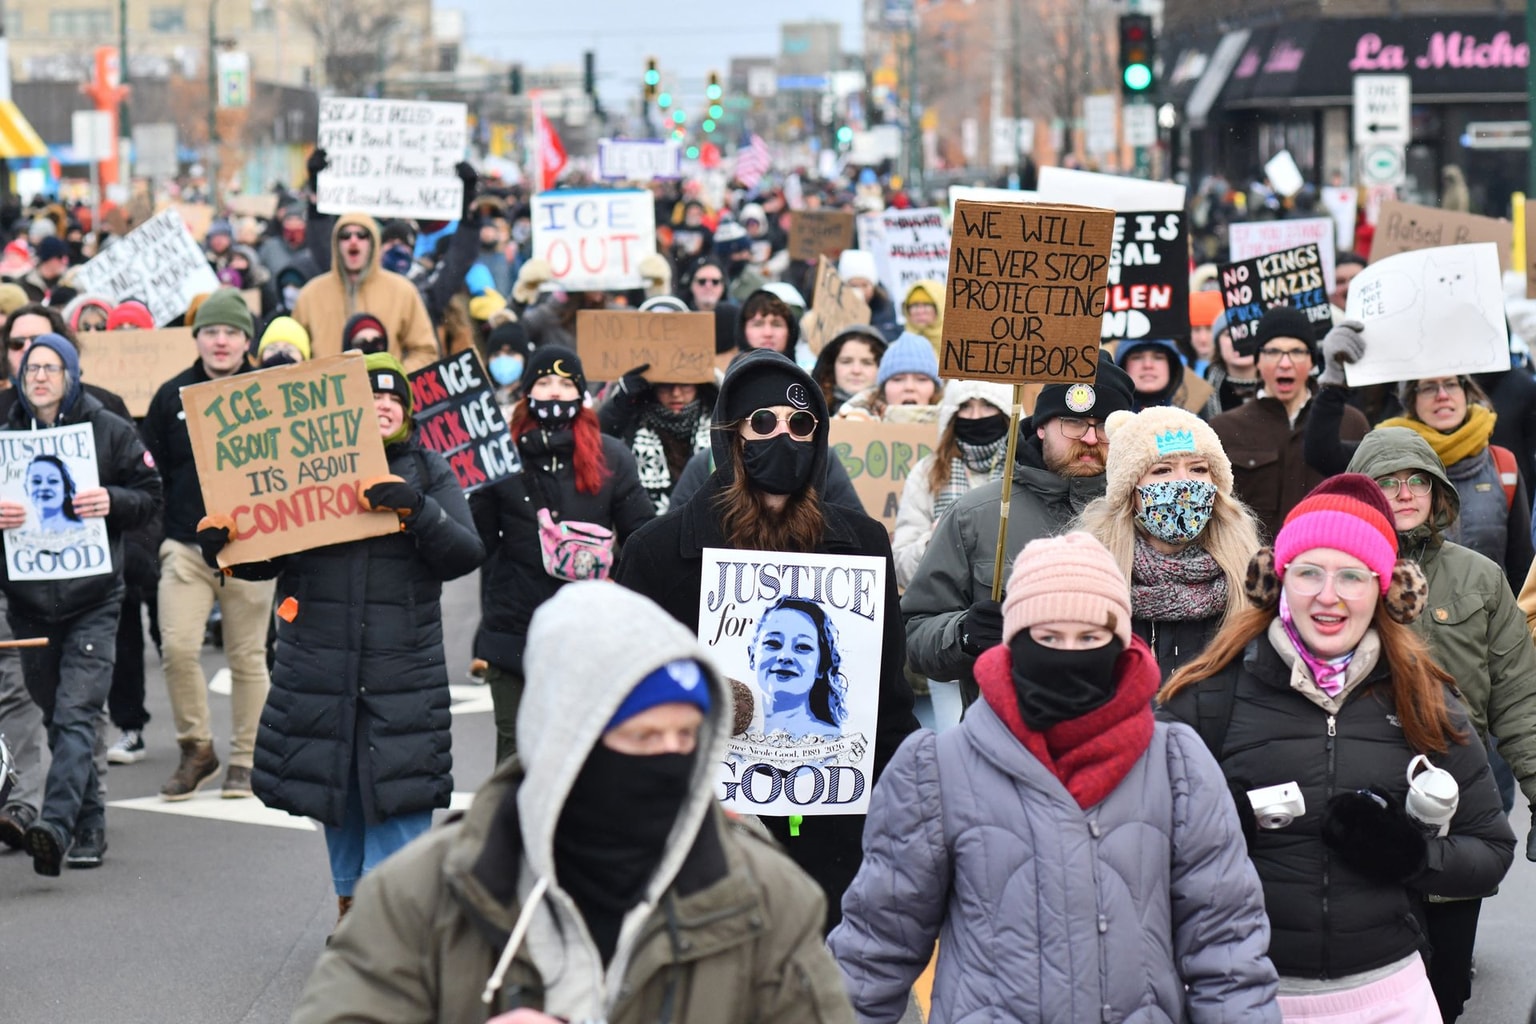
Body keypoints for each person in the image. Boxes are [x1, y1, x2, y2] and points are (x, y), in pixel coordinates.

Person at [289, 582, 855, 1024]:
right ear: (567, 742)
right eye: (641, 737)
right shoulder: (424, 896)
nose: (668, 761)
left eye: (686, 738)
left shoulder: (766, 898)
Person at [831, 532, 1280, 1022]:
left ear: (1120, 644)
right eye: (1048, 638)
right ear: (1014, 645)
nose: (1070, 654)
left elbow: (1226, 949)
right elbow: (875, 951)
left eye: (1089, 639)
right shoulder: (937, 770)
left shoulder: (1176, 766)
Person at [1159, 475, 1515, 1021]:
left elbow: (1490, 851)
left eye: (1352, 575)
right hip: (1246, 994)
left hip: (1390, 996)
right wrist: (1212, 831)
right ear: (1274, 581)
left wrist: (1413, 856)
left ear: (1387, 589)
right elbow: (1134, 845)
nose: (1329, 596)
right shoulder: (1208, 694)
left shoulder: (1426, 698)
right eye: (1308, 573)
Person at [613, 349, 920, 931]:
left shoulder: (859, 544)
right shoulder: (656, 553)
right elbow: (623, 697)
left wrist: (910, 800)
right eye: (763, 423)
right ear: (731, 438)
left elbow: (888, 700)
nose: (784, 437)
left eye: (801, 425)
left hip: (835, 836)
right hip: (704, 833)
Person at [197, 351, 483, 919]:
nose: (381, 406)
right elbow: (266, 558)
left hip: (400, 668)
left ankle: (389, 919)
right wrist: (226, 547)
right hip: (321, 664)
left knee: (398, 789)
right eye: (369, 397)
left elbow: (465, 553)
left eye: (392, 399)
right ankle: (351, 904)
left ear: (405, 411)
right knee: (340, 789)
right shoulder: (308, 466)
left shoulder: (428, 469)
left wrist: (417, 510)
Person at [1348, 427, 1536, 1021]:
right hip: (1362, 803)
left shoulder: (1481, 578)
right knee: (1371, 992)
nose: (1404, 493)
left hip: (1458, 807)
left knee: (1444, 990)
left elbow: (1520, 701)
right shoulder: (1337, 574)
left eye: (1417, 481)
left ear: (1438, 493)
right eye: (1388, 482)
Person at [0, 332, 162, 874]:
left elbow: (150, 496)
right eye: (30, 370)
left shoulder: (109, 430)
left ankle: (59, 823)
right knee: (55, 714)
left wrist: (111, 501)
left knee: (76, 713)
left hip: (93, 597)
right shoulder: (6, 435)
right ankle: (90, 817)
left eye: (50, 368)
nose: (38, 377)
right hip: (27, 601)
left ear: (71, 375)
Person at [902, 350, 1137, 707]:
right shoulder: (976, 515)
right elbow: (914, 635)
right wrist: (962, 634)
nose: (1090, 438)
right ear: (1041, 425)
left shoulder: (1144, 512)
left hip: (1121, 731)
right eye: (1073, 422)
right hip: (1003, 734)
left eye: (1103, 424)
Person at [471, 346, 653, 765]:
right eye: (543, 383)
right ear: (526, 393)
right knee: (517, 764)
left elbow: (642, 540)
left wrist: (615, 586)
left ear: (581, 393)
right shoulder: (500, 459)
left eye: (565, 383)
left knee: (587, 764)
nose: (554, 393)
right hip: (514, 636)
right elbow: (474, 546)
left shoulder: (611, 457)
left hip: (588, 640)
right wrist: (468, 486)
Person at [140, 288, 278, 799]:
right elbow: (149, 473)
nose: (221, 342)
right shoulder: (169, 395)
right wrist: (157, 540)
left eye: (231, 332)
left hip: (253, 548)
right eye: (211, 332)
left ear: (247, 339)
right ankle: (196, 747)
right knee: (177, 648)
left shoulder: (269, 391)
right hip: (184, 547)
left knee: (248, 656)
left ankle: (245, 759)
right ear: (196, 338)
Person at [1307, 321, 1534, 583]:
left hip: (1488, 619)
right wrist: (1334, 381)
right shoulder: (1386, 458)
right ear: (1411, 401)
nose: (1442, 395)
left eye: (1451, 384)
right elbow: (1319, 451)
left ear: (1466, 392)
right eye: (1428, 387)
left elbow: (1522, 567)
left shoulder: (1502, 464)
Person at [1076, 406, 1262, 679]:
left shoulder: (1252, 582)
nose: (1184, 483)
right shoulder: (1088, 577)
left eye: (1198, 469)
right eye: (1163, 470)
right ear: (1130, 491)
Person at [1211, 306, 1369, 541]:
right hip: (1251, 568)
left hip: (1328, 562)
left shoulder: (1350, 421)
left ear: (1312, 360)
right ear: (1258, 361)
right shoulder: (1223, 429)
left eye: (1296, 352)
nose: (1285, 363)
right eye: (1273, 352)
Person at [291, 214, 440, 370]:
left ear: (373, 242)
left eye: (362, 235)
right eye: (345, 236)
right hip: (328, 391)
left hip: (383, 392)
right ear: (336, 243)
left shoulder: (402, 290)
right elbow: (294, 350)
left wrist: (396, 380)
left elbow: (425, 351)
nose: (353, 241)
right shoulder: (311, 294)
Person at [599, 362, 718, 516]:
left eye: (686, 385)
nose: (676, 393)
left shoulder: (719, 424)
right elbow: (598, 441)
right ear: (653, 388)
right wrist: (620, 402)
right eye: (665, 385)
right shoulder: (631, 421)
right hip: (644, 525)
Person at [751, 597, 844, 738]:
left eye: (802, 646)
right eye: (773, 643)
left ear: (822, 667)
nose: (784, 656)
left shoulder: (837, 743)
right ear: (752, 657)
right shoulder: (724, 738)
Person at [834, 331, 943, 423]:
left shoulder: (953, 430)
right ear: (882, 390)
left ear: (935, 390)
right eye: (898, 379)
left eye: (921, 379)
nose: (909, 387)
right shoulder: (853, 422)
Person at [810, 324, 887, 415]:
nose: (856, 370)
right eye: (846, 361)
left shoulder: (897, 414)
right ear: (831, 366)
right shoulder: (810, 412)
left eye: (867, 363)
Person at [1203, 310, 1261, 416]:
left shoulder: (1283, 385)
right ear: (1218, 345)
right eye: (1229, 334)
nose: (1239, 340)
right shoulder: (1199, 394)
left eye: (1247, 331)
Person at [837, 249, 899, 341]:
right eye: (853, 286)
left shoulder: (884, 307)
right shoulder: (835, 307)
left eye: (864, 285)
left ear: (873, 286)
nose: (860, 291)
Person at [24, 455, 82, 534]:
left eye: (53, 481)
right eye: (36, 481)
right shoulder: (24, 534)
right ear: (26, 488)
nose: (44, 487)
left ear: (66, 489)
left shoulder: (82, 530)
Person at [899, 279, 944, 354]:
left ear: (941, 307)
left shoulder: (958, 343)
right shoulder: (899, 349)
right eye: (914, 305)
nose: (920, 311)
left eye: (927, 305)